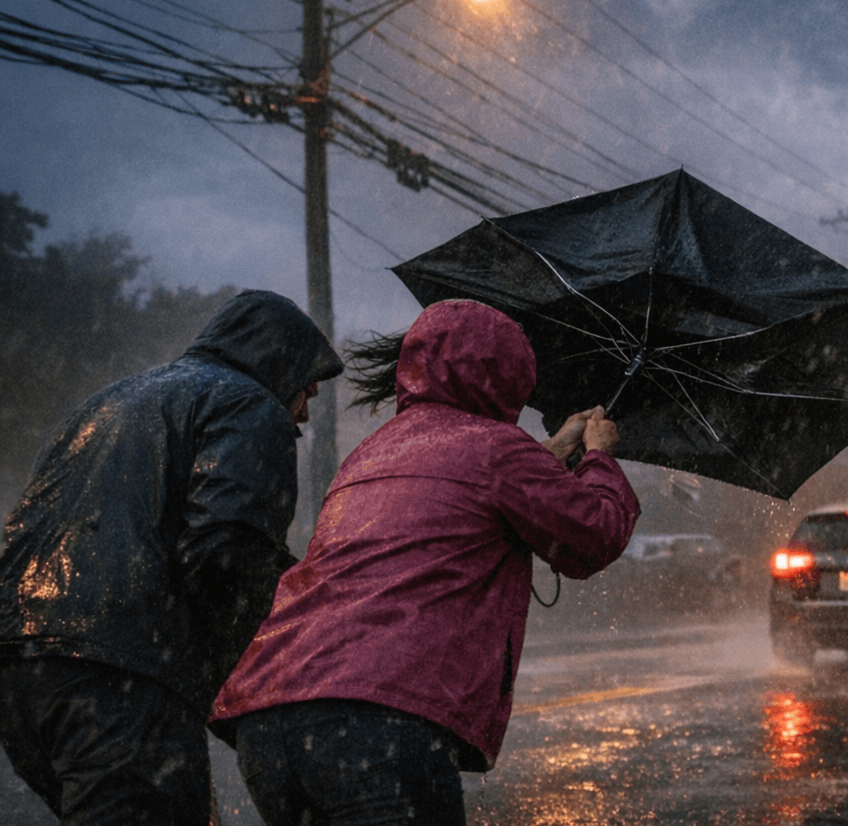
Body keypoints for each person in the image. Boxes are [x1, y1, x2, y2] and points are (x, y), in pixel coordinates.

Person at [210, 298, 640, 825]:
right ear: (509, 376)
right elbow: (595, 533)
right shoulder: (498, 451)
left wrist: (547, 454)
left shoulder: (374, 452)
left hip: (272, 717)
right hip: (375, 721)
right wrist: (598, 457)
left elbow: (463, 492)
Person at [0, 288, 343, 824]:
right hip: (120, 670)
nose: (304, 413)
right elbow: (224, 553)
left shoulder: (110, 401)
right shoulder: (250, 405)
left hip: (21, 668)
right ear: (279, 366)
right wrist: (306, 635)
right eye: (307, 391)